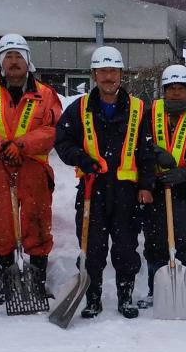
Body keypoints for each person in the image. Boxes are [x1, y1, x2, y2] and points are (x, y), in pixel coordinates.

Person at [54, 46, 156, 319]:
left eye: (113, 71)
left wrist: (146, 185)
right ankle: (93, 299)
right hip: (92, 190)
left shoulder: (138, 109)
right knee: (91, 247)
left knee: (126, 249)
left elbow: (147, 151)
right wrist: (82, 159)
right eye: (103, 71)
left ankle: (125, 297)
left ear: (121, 75)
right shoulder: (79, 109)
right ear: (94, 74)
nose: (108, 76)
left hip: (127, 192)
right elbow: (62, 141)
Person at [0, 34, 61, 297]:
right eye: (8, 56)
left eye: (18, 56)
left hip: (33, 167)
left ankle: (37, 283)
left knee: (37, 224)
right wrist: (1, 146)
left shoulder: (46, 95)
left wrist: (22, 145)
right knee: (3, 227)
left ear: (28, 60)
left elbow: (52, 129)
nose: (13, 62)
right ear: (1, 62)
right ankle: (8, 285)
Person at [139, 64, 186, 308]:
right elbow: (139, 143)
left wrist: (185, 172)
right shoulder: (150, 114)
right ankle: (154, 288)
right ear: (164, 90)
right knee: (156, 239)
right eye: (171, 88)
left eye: (181, 88)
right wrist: (154, 151)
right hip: (156, 187)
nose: (176, 93)